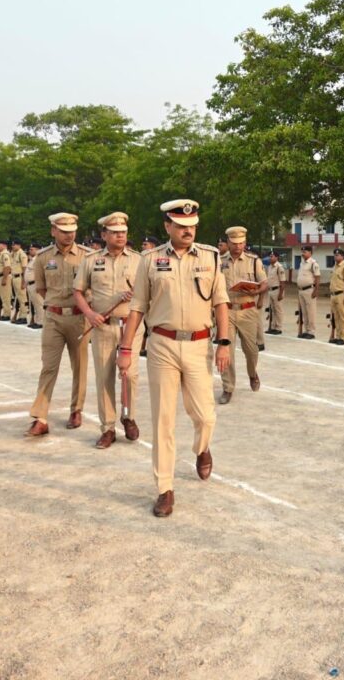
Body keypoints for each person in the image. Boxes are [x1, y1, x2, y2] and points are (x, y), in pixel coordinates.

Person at [116, 199, 231, 518]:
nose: (188, 231)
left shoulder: (210, 256)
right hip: (162, 346)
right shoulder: (150, 260)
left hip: (198, 345)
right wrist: (126, 349)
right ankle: (164, 488)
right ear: (168, 226)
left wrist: (224, 342)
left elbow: (221, 302)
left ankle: (201, 448)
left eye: (192, 226)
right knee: (163, 420)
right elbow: (137, 307)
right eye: (181, 226)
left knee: (205, 416)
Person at [74, 212, 142, 449]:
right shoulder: (91, 260)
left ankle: (128, 416)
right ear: (104, 235)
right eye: (114, 232)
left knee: (130, 375)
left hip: (131, 327)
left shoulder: (138, 260)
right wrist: (89, 314)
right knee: (105, 378)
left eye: (123, 232)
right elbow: (77, 291)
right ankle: (108, 427)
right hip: (103, 326)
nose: (120, 236)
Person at [25, 213, 91, 437]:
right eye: (64, 231)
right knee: (49, 367)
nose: (69, 235)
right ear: (53, 231)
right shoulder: (43, 257)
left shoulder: (87, 256)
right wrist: (56, 306)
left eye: (72, 231)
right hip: (53, 318)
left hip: (79, 319)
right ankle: (41, 417)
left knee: (79, 366)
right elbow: (41, 289)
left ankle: (76, 410)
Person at [218, 226, 266, 403]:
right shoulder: (219, 261)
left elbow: (264, 283)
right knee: (226, 350)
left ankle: (252, 373)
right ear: (228, 242)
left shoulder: (254, 261)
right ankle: (228, 388)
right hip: (227, 311)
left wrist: (257, 291)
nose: (238, 246)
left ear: (245, 243)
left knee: (251, 350)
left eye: (241, 243)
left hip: (248, 310)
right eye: (234, 243)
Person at [328, 247, 344, 345]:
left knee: (343, 317)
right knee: (336, 317)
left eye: (337, 255)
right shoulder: (334, 267)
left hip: (341, 294)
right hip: (333, 294)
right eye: (334, 255)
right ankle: (338, 336)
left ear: (342, 256)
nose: (335, 256)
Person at [296, 245, 321, 338]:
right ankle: (306, 330)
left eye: (305, 252)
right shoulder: (302, 263)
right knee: (304, 311)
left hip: (309, 290)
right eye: (302, 252)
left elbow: (317, 278)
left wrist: (316, 290)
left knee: (311, 311)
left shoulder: (313, 264)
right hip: (301, 290)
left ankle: (311, 332)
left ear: (310, 253)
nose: (303, 254)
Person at [264, 251, 287, 334]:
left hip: (277, 290)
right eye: (270, 256)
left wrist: (281, 293)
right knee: (272, 310)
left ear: (277, 257)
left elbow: (282, 281)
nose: (270, 258)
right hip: (271, 291)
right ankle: (273, 327)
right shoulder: (270, 267)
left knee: (278, 310)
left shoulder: (279, 267)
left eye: (272, 256)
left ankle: (278, 328)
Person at [11, 240, 30, 324]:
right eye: (12, 245)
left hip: (20, 278)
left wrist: (23, 282)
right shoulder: (14, 254)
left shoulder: (22, 254)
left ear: (19, 245)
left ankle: (23, 316)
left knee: (22, 298)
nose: (13, 246)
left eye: (14, 245)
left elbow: (24, 269)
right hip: (14, 277)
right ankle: (20, 315)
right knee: (18, 298)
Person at [26, 243, 44, 329]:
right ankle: (37, 320)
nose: (30, 251)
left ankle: (41, 322)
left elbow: (41, 273)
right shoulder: (33, 259)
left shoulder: (38, 259)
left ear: (38, 250)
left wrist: (39, 285)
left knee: (39, 304)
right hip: (30, 284)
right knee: (35, 305)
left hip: (35, 284)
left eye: (32, 249)